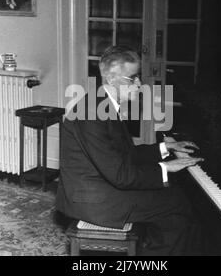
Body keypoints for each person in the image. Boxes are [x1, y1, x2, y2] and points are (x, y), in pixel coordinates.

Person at [56, 45, 205, 255]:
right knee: (177, 204)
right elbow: (121, 175)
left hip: (100, 186)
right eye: (132, 78)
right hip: (93, 199)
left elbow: (124, 154)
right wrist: (166, 168)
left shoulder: (102, 103)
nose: (139, 84)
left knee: (173, 196)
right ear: (111, 79)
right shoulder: (91, 113)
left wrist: (164, 148)